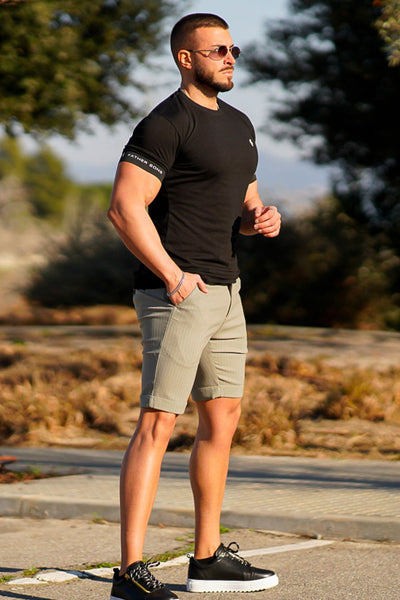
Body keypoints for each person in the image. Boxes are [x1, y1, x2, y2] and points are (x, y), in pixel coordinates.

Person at [107, 12, 281, 600]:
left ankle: (206, 559)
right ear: (186, 58)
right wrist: (172, 276)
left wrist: (261, 219)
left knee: (221, 421)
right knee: (158, 424)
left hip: (227, 292)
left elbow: (243, 204)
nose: (230, 58)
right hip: (177, 295)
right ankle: (130, 572)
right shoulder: (165, 123)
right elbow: (125, 207)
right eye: (217, 50)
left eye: (234, 49)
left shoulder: (240, 124)